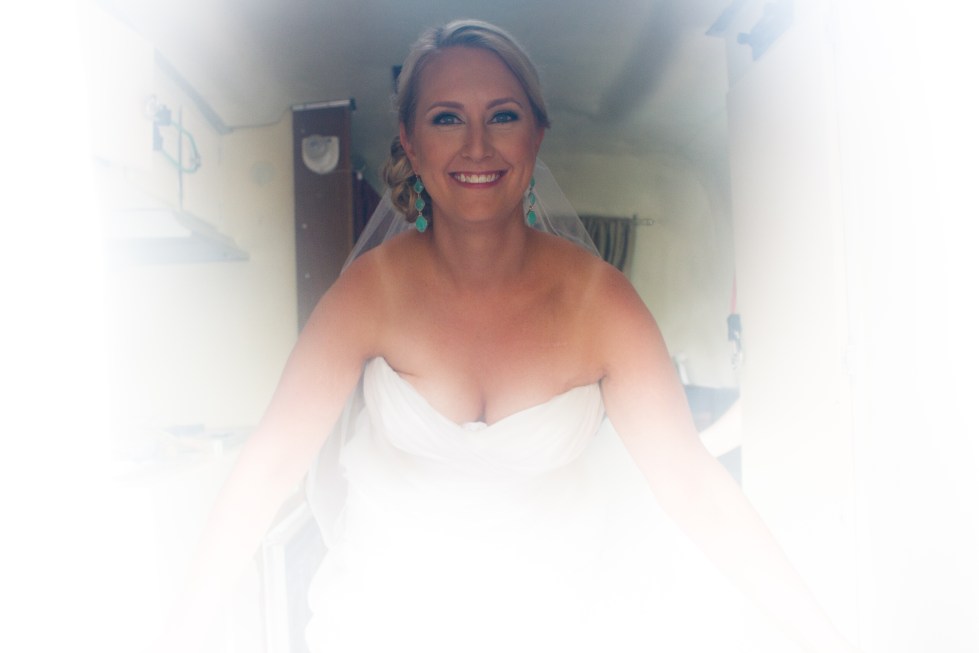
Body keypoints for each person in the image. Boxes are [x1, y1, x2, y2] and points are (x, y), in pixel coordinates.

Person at [164, 19, 858, 653]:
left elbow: (694, 486)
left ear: (536, 134)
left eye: (502, 115)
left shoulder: (601, 303)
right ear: (410, 141)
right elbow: (266, 469)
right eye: (446, 118)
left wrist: (827, 639)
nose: (476, 145)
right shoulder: (370, 292)